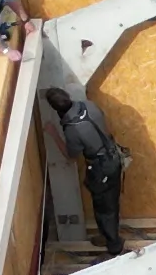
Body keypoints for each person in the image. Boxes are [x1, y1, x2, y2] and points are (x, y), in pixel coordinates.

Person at [42, 80, 129, 254]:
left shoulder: (72, 129)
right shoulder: (89, 105)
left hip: (101, 168)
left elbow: (70, 156)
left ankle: (114, 246)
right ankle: (109, 235)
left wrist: (53, 134)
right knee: (110, 203)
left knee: (104, 207)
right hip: (114, 156)